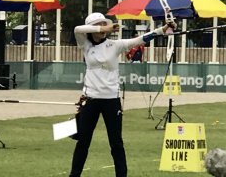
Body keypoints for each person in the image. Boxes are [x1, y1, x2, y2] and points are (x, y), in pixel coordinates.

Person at [70, 12, 175, 177]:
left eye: (105, 24)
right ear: (91, 29)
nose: (103, 28)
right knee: (83, 141)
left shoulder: (115, 45)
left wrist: (163, 29)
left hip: (111, 100)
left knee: (116, 142)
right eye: (99, 25)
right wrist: (106, 26)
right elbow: (77, 29)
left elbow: (140, 39)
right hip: (90, 99)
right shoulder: (85, 44)